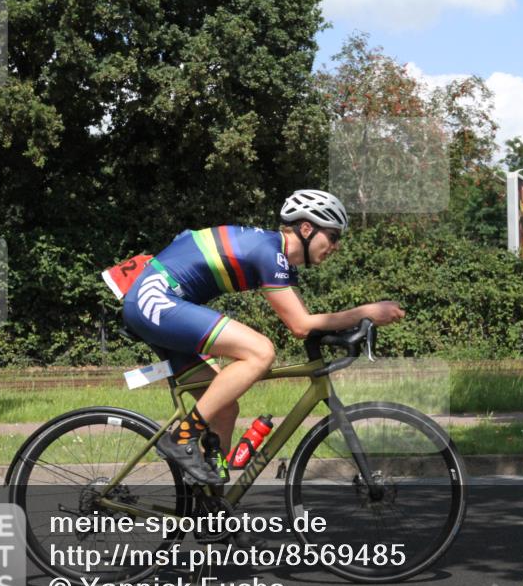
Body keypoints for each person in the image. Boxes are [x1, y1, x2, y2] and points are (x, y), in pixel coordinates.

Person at [121, 189, 405, 485]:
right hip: (155, 299)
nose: (336, 247)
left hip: (157, 303)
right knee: (261, 352)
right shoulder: (270, 252)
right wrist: (366, 312)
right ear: (307, 228)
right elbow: (301, 326)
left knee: (224, 408)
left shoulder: (278, 259)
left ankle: (207, 510)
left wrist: (347, 328)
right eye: (333, 236)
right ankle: (181, 438)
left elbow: (307, 323)